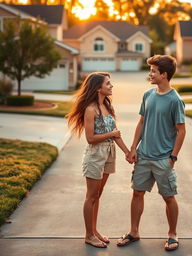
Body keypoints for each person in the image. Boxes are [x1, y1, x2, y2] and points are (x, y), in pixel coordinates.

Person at [117, 55, 186, 251]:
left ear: (164, 75)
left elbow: (181, 131)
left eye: (154, 71)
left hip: (163, 158)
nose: (150, 74)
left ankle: (172, 235)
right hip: (144, 156)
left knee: (168, 197)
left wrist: (172, 157)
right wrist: (132, 148)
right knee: (137, 193)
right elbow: (141, 123)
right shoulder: (148, 95)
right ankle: (134, 231)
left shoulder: (175, 100)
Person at [66, 72, 129, 248]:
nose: (111, 86)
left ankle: (94, 231)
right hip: (95, 155)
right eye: (108, 84)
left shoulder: (108, 107)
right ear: (98, 88)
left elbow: (116, 136)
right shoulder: (90, 109)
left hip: (109, 153)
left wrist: (128, 152)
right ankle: (88, 235)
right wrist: (112, 134)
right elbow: (91, 138)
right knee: (91, 196)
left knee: (98, 195)